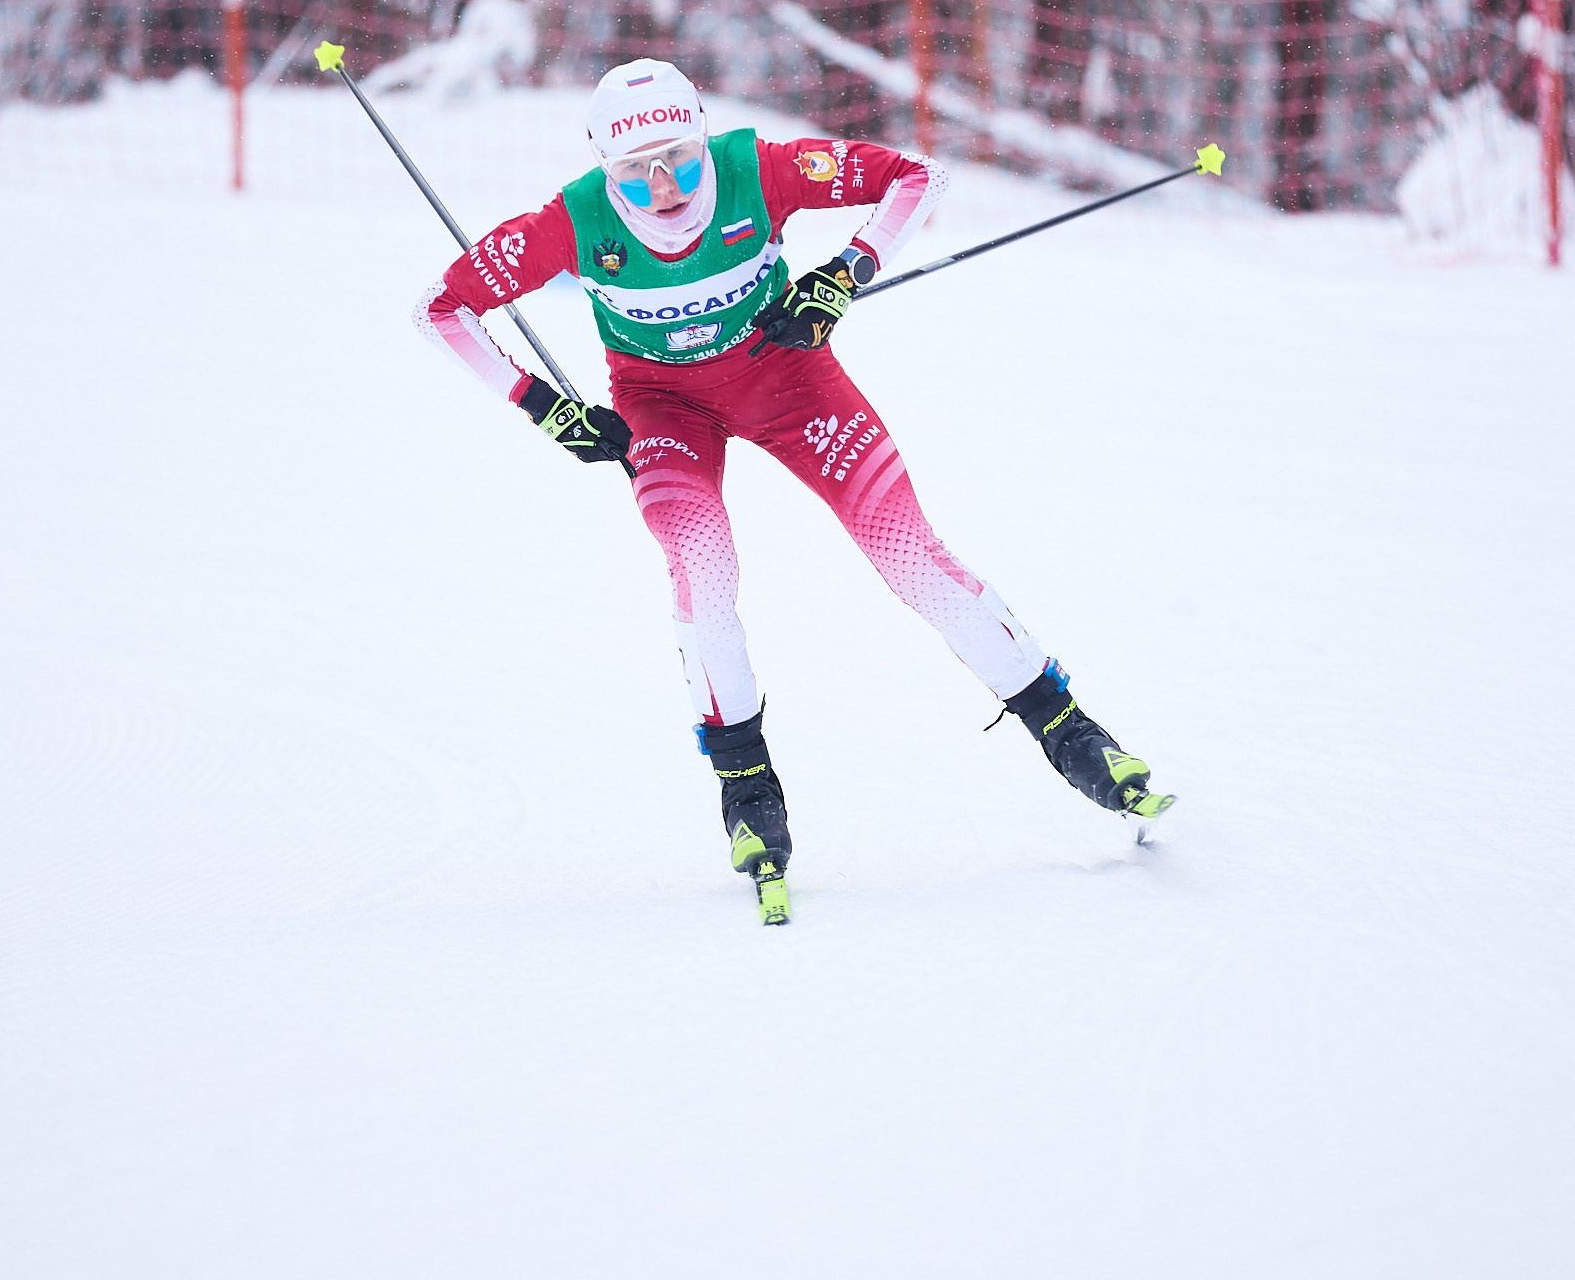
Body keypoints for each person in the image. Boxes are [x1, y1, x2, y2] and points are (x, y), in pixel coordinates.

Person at [414, 59, 1170, 921]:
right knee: (703, 568)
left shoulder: (758, 168)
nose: (664, 186)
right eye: (635, 170)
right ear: (603, 167)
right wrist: (542, 405)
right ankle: (745, 785)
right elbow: (441, 307)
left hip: (791, 379)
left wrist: (846, 271)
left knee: (908, 551)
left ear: (704, 139)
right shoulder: (570, 222)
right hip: (663, 409)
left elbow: (917, 179)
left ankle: (1071, 731)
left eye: (682, 159)